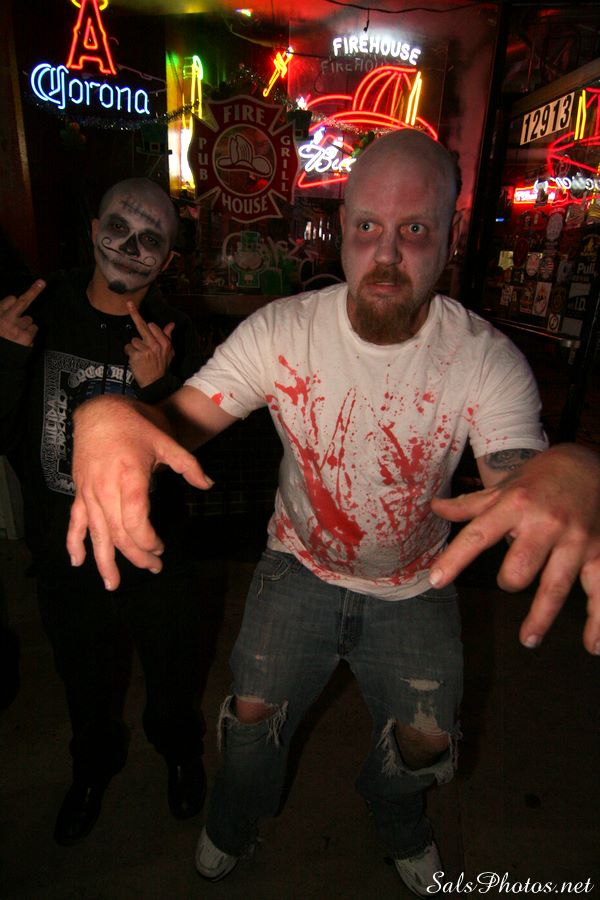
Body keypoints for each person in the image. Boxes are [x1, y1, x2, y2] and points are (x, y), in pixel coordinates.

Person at [65, 133, 600, 896]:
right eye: (368, 226)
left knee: (427, 743)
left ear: (451, 236)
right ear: (342, 227)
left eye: (415, 229)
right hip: (298, 563)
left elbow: (517, 477)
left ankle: (398, 820)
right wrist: (113, 413)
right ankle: (233, 822)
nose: (387, 254)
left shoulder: (484, 358)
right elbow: (176, 420)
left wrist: (570, 471)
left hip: (417, 581)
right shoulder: (282, 332)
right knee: (250, 722)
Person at [0, 178, 207, 846]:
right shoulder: (38, 309)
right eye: (118, 228)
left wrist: (161, 387)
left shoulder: (176, 331)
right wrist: (5, 356)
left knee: (173, 675)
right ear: (93, 229)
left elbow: (199, 466)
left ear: (167, 258)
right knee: (85, 685)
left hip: (156, 553)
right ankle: (92, 769)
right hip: (66, 555)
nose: (130, 247)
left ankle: (180, 752)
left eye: (150, 240)